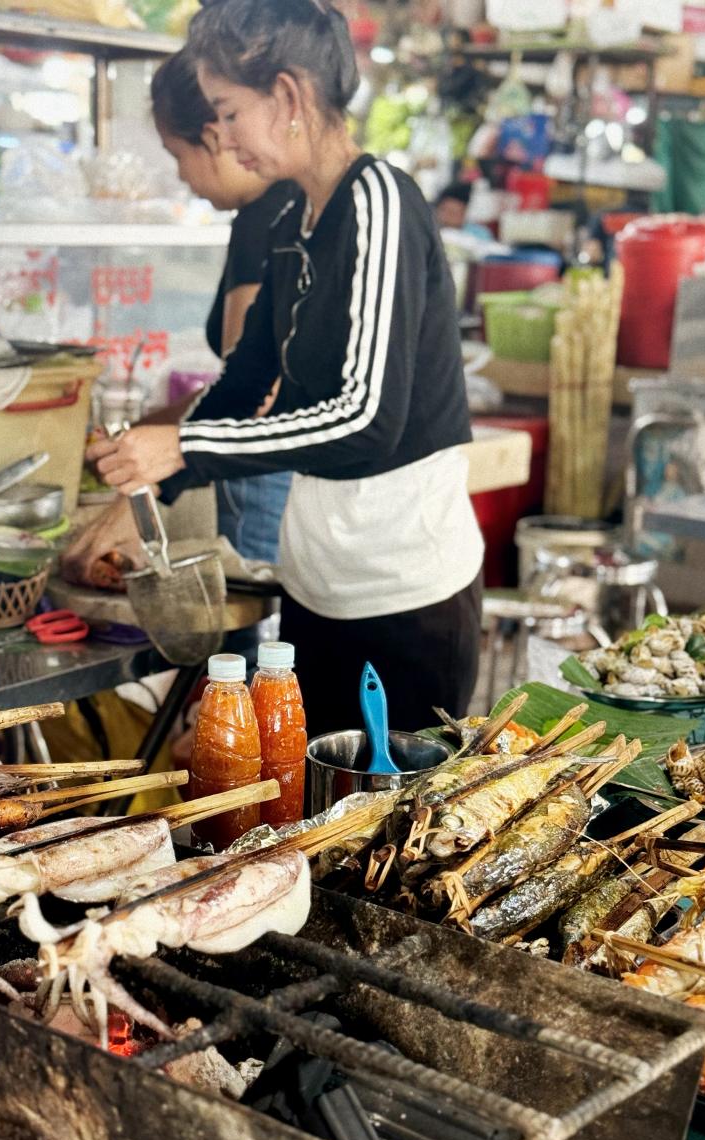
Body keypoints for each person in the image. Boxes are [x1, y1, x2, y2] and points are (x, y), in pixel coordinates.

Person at [87, 0, 484, 736]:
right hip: (315, 587)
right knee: (305, 798)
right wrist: (149, 487)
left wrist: (185, 445)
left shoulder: (380, 201)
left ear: (288, 96)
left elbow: (366, 418)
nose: (226, 136)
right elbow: (245, 382)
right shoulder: (296, 219)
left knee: (389, 808)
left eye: (230, 112)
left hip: (403, 599)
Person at [63, 48, 295, 583]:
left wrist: (145, 486)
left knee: (262, 628)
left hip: (266, 483)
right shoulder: (295, 206)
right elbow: (250, 381)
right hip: (286, 480)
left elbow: (254, 399)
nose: (182, 177)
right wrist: (146, 434)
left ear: (216, 138)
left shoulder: (263, 219)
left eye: (177, 155)